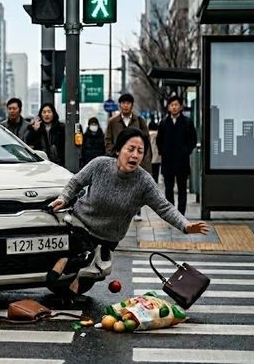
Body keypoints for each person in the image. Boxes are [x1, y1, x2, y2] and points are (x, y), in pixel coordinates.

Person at [47, 127, 209, 299]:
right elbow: (76, 182)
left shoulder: (144, 182)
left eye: (140, 151)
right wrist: (64, 198)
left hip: (108, 238)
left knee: (86, 279)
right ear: (118, 150)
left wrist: (185, 225)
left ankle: (67, 296)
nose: (135, 155)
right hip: (81, 224)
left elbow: (164, 207)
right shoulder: (99, 165)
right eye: (130, 149)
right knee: (81, 258)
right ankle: (61, 267)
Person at [105, 93, 151, 221]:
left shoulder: (139, 121)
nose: (125, 106)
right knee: (117, 184)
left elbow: (145, 140)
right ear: (119, 105)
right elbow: (108, 139)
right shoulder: (113, 122)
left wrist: (143, 157)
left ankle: (136, 211)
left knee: (135, 184)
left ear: (132, 105)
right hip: (118, 159)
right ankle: (118, 209)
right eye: (123, 103)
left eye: (128, 103)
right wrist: (112, 153)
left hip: (134, 159)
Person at [157, 96, 198, 215]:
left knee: (182, 189)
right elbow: (159, 140)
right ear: (168, 107)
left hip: (182, 160)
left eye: (176, 104)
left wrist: (186, 150)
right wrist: (162, 151)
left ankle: (181, 214)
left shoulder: (187, 122)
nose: (174, 107)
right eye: (171, 105)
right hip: (168, 159)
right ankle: (171, 213)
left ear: (180, 107)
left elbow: (193, 139)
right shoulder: (164, 122)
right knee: (168, 189)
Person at [148, 119, 161, 184]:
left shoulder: (147, 135)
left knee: (149, 174)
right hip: (157, 157)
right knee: (156, 174)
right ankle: (155, 184)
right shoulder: (158, 134)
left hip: (149, 157)